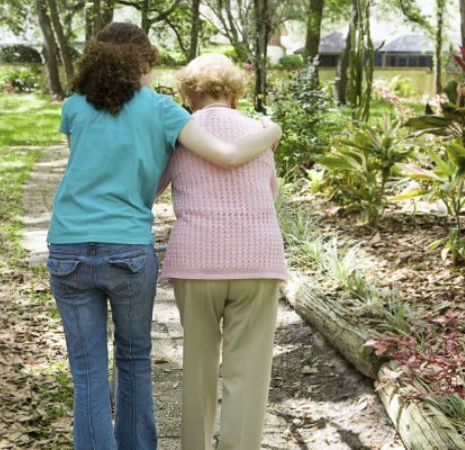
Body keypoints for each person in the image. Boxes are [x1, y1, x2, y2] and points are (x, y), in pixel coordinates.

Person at [47, 23, 281, 450]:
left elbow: (92, 168)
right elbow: (230, 160)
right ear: (142, 64)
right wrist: (271, 132)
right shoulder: (161, 111)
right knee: (135, 360)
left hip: (68, 246)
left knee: (87, 370)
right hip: (129, 251)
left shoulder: (74, 107)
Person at [156, 53, 288, 450]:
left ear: (188, 95)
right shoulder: (259, 131)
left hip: (196, 262)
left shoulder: (180, 133)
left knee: (198, 366)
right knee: (247, 372)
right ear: (234, 93)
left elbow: (153, 190)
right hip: (257, 261)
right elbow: (271, 193)